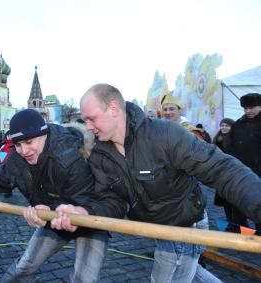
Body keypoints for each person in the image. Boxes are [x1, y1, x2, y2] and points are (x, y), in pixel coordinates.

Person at [56, 83, 261, 283]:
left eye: (91, 119)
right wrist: (86, 213)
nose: (88, 127)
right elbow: (112, 200)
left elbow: (222, 169)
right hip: (158, 229)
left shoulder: (166, 135)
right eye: (85, 121)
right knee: (193, 274)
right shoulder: (100, 154)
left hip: (184, 227)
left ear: (113, 108)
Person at [0, 109, 112, 282]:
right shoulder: (18, 160)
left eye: (29, 142)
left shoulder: (71, 155)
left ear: (44, 134)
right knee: (24, 266)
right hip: (49, 218)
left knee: (85, 279)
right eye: (18, 144)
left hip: (90, 222)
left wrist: (51, 210)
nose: (24, 151)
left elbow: (84, 200)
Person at [228, 93, 261, 235]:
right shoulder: (238, 124)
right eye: (245, 108)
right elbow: (231, 145)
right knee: (238, 203)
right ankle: (241, 231)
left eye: (252, 107)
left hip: (259, 172)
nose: (248, 111)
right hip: (240, 172)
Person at [211, 118, 235, 231]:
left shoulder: (234, 140)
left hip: (232, 175)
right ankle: (230, 222)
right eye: (222, 125)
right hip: (220, 176)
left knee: (233, 201)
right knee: (225, 202)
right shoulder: (217, 139)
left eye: (227, 125)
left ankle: (236, 223)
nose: (224, 127)